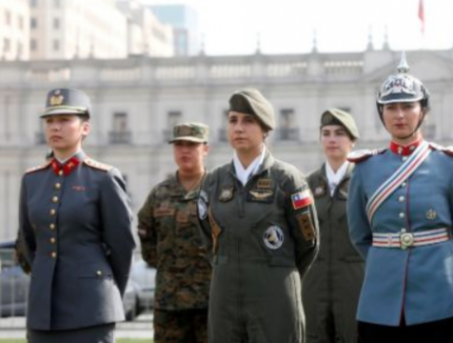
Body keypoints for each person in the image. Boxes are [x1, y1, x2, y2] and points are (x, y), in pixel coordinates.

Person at [347, 55, 453, 342]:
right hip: (381, 301)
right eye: (391, 107)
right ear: (381, 113)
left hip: (442, 299)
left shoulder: (450, 165)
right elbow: (360, 236)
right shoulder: (365, 169)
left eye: (408, 106)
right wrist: (386, 266)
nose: (399, 115)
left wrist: (449, 272)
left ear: (423, 111)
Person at [197, 88, 320, 343]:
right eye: (233, 120)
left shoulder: (288, 180)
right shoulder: (213, 182)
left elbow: (308, 243)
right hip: (225, 298)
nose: (239, 128)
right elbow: (208, 238)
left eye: (248, 120)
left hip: (274, 296)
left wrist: (275, 272)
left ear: (265, 129)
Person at [17, 88, 136, 343]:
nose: (55, 127)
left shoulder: (103, 178)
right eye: (50, 121)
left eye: (64, 120)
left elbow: (122, 245)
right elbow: (28, 243)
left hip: (91, 308)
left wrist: (105, 288)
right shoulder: (32, 180)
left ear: (85, 128)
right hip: (43, 311)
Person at [138, 122, 213, 343]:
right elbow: (145, 232)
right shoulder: (160, 193)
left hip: (210, 299)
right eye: (179, 145)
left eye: (191, 145)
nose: (184, 151)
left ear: (205, 149)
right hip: (169, 302)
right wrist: (164, 263)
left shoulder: (218, 191)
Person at [303, 109, 364, 343]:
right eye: (326, 133)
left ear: (352, 141)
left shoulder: (364, 182)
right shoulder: (306, 184)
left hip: (354, 283)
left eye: (339, 134)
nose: (331, 139)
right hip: (314, 284)